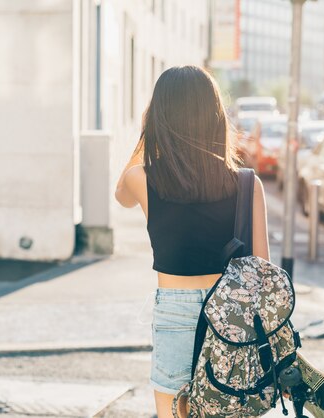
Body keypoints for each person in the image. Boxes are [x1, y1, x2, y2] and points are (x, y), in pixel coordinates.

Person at [115, 65, 270, 417]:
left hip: (175, 311)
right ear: (216, 117)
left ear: (159, 118)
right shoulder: (248, 185)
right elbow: (262, 271)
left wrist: (145, 135)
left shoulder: (143, 179)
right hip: (234, 313)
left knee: (174, 413)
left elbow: (120, 195)